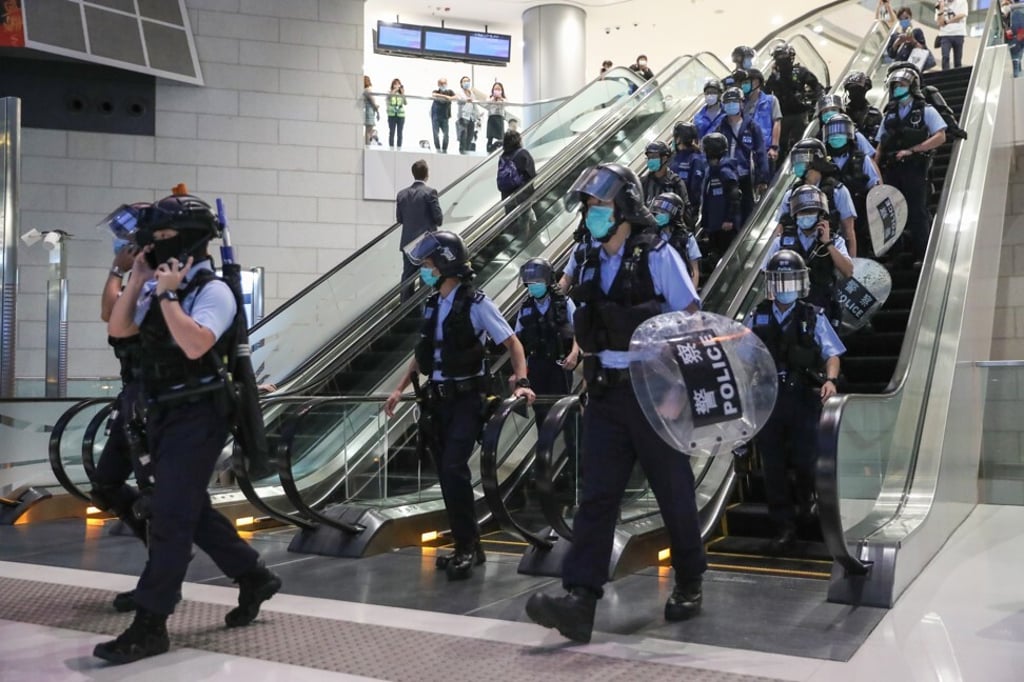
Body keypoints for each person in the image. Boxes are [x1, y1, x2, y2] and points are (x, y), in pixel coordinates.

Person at [525, 163, 704, 644]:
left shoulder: (656, 254)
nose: (590, 215)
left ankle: (690, 579)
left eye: (598, 206)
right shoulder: (585, 260)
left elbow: (689, 317)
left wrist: (676, 390)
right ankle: (580, 600)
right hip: (604, 392)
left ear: (623, 206)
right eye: (587, 207)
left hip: (653, 390)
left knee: (673, 491)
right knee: (596, 496)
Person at [98, 194, 281, 664]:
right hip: (159, 412)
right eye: (153, 238)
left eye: (164, 238)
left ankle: (151, 622)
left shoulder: (212, 291)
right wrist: (138, 277)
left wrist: (167, 294)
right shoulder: (159, 284)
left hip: (200, 414)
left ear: (191, 241)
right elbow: (119, 332)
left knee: (170, 515)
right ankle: (253, 575)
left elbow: (197, 344)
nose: (156, 245)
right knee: (188, 508)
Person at [384, 231, 536, 580]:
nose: (424, 270)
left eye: (428, 264)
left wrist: (522, 381)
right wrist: (399, 389)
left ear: (446, 263)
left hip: (468, 399)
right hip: (437, 402)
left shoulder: (478, 303)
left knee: (454, 467)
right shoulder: (434, 303)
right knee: (448, 474)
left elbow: (513, 343)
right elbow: (423, 356)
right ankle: (471, 545)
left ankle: (466, 546)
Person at [747, 249, 845, 551]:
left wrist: (830, 380)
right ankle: (783, 526)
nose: (784, 287)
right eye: (780, 281)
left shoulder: (812, 315)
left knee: (806, 458)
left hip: (802, 396)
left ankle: (807, 502)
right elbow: (743, 357)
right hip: (768, 398)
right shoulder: (757, 316)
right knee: (773, 465)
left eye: (790, 280)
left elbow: (832, 353)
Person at [876, 64, 947, 264]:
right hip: (892, 169)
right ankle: (896, 255)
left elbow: (940, 136)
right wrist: (876, 170)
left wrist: (914, 149)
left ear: (912, 85)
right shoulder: (889, 113)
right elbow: (880, 144)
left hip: (915, 167)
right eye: (895, 85)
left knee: (917, 211)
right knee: (892, 214)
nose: (897, 88)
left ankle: (922, 254)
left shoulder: (925, 110)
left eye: (902, 84)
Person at [514, 258, 579, 460]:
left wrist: (574, 353)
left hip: (559, 366)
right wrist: (518, 374)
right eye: (530, 283)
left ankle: (574, 462)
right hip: (537, 365)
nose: (533, 287)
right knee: (541, 416)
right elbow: (518, 343)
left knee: (568, 415)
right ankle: (545, 463)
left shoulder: (564, 303)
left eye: (537, 281)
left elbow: (579, 331)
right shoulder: (525, 308)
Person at [765, 185, 854, 327]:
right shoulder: (780, 242)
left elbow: (848, 271)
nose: (806, 215)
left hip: (823, 312)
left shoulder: (835, 241)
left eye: (811, 211)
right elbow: (765, 275)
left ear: (820, 214)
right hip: (789, 314)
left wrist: (827, 244)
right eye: (802, 212)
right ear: (795, 214)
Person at [775, 139, 859, 260]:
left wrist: (852, 265)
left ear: (816, 161)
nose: (797, 164)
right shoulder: (791, 195)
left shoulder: (838, 192)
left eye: (801, 159)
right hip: (797, 256)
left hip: (829, 255)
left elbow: (849, 233)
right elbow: (779, 230)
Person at [824, 114, 882, 257]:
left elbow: (874, 187)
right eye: (832, 133)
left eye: (840, 132)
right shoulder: (822, 163)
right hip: (833, 216)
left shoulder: (862, 160)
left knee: (860, 247)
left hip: (860, 212)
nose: (835, 136)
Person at [714, 86, 768, 228]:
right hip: (726, 175)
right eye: (728, 103)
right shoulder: (721, 127)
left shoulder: (752, 126)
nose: (731, 105)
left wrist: (762, 178)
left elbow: (761, 151)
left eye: (734, 102)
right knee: (728, 210)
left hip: (745, 175)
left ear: (741, 103)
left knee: (747, 209)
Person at [763, 42, 823, 161]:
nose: (781, 61)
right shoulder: (775, 76)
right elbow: (765, 93)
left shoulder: (800, 71)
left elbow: (817, 87)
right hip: (782, 116)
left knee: (800, 142)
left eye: (783, 57)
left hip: (799, 114)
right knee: (781, 145)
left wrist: (815, 103)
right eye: (778, 58)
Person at [397, 160, 443, 301]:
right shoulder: (430, 193)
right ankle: (426, 306)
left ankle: (404, 308)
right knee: (427, 275)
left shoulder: (401, 194)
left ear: (413, 173)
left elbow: (399, 219)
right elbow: (439, 219)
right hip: (425, 244)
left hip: (407, 243)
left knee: (407, 277)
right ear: (426, 174)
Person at [698, 132, 742, 260]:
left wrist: (729, 219)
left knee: (727, 257)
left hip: (725, 226)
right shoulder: (711, 171)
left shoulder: (725, 171)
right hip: (713, 224)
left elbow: (734, 195)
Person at [650, 191, 702, 287]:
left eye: (663, 212)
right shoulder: (650, 236)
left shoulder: (687, 239)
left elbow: (694, 270)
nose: (658, 215)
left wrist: (691, 294)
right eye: (657, 212)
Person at [668, 122, 708, 225]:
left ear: (679, 139)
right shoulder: (673, 157)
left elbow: (696, 189)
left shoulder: (695, 159)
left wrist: (690, 210)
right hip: (670, 207)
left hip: (686, 211)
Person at [742, 68, 782, 170]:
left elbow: (777, 123)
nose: (743, 85)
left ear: (756, 82)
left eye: (746, 82)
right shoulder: (741, 103)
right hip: (746, 151)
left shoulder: (770, 100)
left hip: (766, 150)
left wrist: (774, 147)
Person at [497, 130, 536, 224]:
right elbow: (532, 174)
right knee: (525, 222)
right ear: (518, 140)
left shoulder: (503, 156)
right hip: (522, 194)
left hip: (507, 197)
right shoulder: (523, 153)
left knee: (511, 223)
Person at [641, 140, 689, 216]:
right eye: (649, 157)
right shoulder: (644, 182)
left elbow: (685, 209)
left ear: (664, 158)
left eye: (653, 157)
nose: (650, 160)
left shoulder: (675, 182)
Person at [842, 71, 884, 142]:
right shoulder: (843, 113)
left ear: (865, 90)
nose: (854, 93)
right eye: (851, 90)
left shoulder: (875, 114)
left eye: (858, 89)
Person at [936, 0, 968, 70]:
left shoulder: (962, 1)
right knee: (945, 57)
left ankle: (958, 78)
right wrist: (941, 8)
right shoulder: (940, 4)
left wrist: (948, 21)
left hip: (959, 33)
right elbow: (939, 23)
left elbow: (962, 15)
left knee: (957, 60)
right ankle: (945, 76)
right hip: (945, 34)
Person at [456, 76, 482, 154]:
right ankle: (462, 152)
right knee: (463, 136)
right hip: (463, 117)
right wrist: (466, 100)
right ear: (461, 83)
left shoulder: (471, 93)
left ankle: (467, 153)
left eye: (468, 81)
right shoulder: (459, 93)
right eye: (464, 81)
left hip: (471, 117)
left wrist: (478, 116)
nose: (466, 82)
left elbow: (474, 105)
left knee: (470, 137)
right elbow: (459, 100)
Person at [431, 78, 456, 153]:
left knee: (446, 134)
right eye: (441, 83)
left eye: (444, 83)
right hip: (436, 115)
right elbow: (434, 95)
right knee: (436, 134)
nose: (443, 85)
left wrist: (446, 97)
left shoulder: (450, 91)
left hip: (445, 116)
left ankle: (445, 149)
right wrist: (447, 97)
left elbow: (455, 97)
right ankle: (438, 149)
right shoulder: (436, 91)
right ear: (438, 84)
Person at [486, 82, 507, 153]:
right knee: (490, 135)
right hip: (491, 117)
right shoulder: (489, 97)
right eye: (495, 89)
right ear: (493, 90)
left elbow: (506, 104)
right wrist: (493, 98)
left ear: (502, 90)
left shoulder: (503, 98)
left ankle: (499, 149)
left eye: (499, 89)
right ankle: (489, 149)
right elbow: (487, 104)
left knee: (500, 135)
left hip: (500, 118)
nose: (497, 90)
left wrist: (500, 98)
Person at [387, 78, 407, 149]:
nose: (397, 85)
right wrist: (395, 90)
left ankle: (399, 148)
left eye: (398, 84)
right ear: (392, 85)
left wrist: (403, 93)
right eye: (395, 84)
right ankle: (391, 148)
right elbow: (389, 98)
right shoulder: (390, 92)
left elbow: (405, 103)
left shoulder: (401, 93)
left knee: (400, 133)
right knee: (391, 132)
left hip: (400, 115)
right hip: (391, 115)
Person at [362, 76, 379, 146]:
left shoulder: (364, 90)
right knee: (368, 131)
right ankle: (367, 145)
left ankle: (367, 144)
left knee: (368, 131)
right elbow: (373, 101)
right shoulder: (368, 90)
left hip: (368, 111)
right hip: (370, 111)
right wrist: (377, 108)